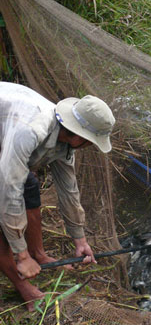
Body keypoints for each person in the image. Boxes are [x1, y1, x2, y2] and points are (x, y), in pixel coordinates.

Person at [0, 82, 115, 310]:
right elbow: (8, 191)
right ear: (78, 136)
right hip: (11, 130)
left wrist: (79, 239)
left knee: (29, 186)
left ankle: (39, 254)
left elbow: (68, 189)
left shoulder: (65, 140)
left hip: (6, 132)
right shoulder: (31, 130)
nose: (91, 146)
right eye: (92, 141)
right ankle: (24, 287)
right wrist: (20, 255)